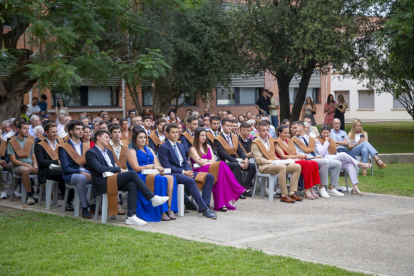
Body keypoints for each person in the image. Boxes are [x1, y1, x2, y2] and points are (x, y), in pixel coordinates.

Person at [86, 129, 169, 225]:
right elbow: (99, 169)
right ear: (98, 137)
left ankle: (131, 216)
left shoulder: (108, 152)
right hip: (102, 182)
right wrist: (119, 170)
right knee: (132, 173)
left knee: (132, 184)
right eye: (106, 137)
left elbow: (111, 167)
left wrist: (118, 171)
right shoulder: (91, 152)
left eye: (109, 137)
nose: (108, 139)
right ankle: (152, 198)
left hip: (113, 179)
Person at [158, 124, 217, 219]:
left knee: (209, 177)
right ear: (167, 133)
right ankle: (204, 210)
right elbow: (166, 166)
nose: (175, 134)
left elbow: (185, 162)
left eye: (177, 132)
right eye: (173, 132)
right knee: (190, 181)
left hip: (186, 171)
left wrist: (189, 171)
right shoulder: (163, 147)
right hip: (173, 174)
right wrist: (183, 172)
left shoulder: (180, 146)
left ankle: (206, 205)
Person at [126, 128, 178, 221]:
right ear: (135, 139)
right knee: (160, 179)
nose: (143, 140)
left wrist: (157, 167)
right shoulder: (132, 151)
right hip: (139, 175)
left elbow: (157, 165)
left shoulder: (149, 149)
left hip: (152, 172)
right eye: (140, 138)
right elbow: (136, 168)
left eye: (144, 137)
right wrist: (149, 167)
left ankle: (170, 208)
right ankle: (161, 211)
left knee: (171, 178)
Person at [189, 127, 245, 211]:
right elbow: (199, 162)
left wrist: (206, 160)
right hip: (200, 171)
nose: (204, 137)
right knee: (221, 164)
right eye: (201, 136)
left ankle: (221, 203)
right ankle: (236, 187)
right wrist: (208, 161)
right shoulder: (192, 149)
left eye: (205, 135)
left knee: (220, 176)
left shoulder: (208, 146)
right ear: (197, 137)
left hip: (211, 169)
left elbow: (213, 160)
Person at [251, 121, 302, 203]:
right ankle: (284, 195)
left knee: (297, 166)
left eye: (267, 130)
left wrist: (278, 161)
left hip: (273, 164)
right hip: (263, 167)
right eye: (263, 130)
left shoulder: (270, 141)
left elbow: (273, 156)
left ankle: (292, 193)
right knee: (281, 167)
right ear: (258, 131)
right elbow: (259, 160)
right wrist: (273, 162)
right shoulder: (255, 143)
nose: (265, 132)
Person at [291, 121, 343, 197]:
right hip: (307, 160)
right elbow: (299, 154)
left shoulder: (311, 139)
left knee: (338, 163)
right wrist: (313, 157)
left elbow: (315, 151)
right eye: (293, 128)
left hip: (316, 158)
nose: (293, 130)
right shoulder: (294, 140)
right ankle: (321, 187)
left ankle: (332, 188)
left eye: (295, 128)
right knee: (324, 162)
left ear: (301, 127)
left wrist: (318, 155)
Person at [316, 125, 372, 195]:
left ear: (330, 133)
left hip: (335, 159)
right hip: (326, 159)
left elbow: (335, 151)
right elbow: (321, 152)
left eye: (327, 133)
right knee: (342, 154)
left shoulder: (331, 140)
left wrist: (334, 148)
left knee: (350, 164)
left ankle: (355, 187)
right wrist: (326, 142)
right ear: (321, 133)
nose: (325, 135)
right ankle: (359, 164)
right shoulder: (317, 141)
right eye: (324, 133)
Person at [35, 123, 74, 211]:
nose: (55, 134)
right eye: (53, 132)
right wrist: (57, 162)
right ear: (46, 132)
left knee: (72, 172)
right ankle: (68, 201)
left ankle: (72, 199)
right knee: (64, 174)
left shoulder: (60, 144)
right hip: (46, 171)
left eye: (56, 131)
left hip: (59, 169)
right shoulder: (40, 145)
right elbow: (41, 162)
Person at [275, 124, 321, 199]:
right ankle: (307, 190)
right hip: (285, 162)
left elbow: (296, 152)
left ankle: (311, 188)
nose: (287, 135)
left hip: (294, 160)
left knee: (313, 163)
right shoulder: (277, 142)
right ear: (280, 133)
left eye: (288, 133)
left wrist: (301, 156)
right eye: (285, 133)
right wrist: (297, 156)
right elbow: (283, 156)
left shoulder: (289, 141)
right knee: (307, 164)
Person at [58, 121, 92, 218]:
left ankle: (94, 206)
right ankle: (84, 208)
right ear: (71, 131)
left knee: (102, 176)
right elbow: (66, 168)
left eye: (82, 129)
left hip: (86, 172)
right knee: (81, 178)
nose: (81, 131)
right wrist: (80, 172)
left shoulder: (85, 146)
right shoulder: (64, 147)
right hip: (71, 175)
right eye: (78, 129)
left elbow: (89, 165)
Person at [214, 118, 256, 197]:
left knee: (252, 166)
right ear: (222, 126)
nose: (229, 127)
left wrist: (245, 158)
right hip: (224, 163)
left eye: (230, 126)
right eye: (227, 125)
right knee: (236, 166)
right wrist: (238, 163)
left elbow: (240, 151)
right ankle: (239, 191)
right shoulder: (218, 139)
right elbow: (224, 155)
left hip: (235, 161)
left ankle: (245, 187)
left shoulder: (234, 137)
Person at [7, 121, 38, 205]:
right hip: (18, 167)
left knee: (45, 168)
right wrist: (27, 165)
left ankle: (37, 193)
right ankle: (30, 196)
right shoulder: (12, 142)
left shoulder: (30, 141)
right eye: (24, 128)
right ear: (18, 129)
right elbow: (13, 160)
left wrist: (35, 164)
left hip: (30, 164)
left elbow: (33, 156)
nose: (27, 130)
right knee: (25, 170)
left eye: (28, 128)